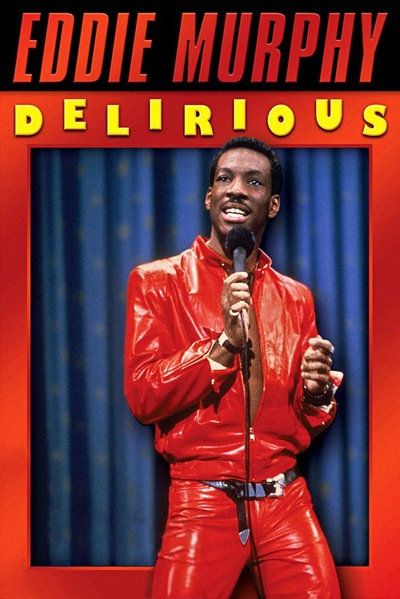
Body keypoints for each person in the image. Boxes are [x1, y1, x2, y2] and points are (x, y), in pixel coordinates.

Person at [124, 137, 342, 599]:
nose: (237, 189)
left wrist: (317, 392)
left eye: (254, 182)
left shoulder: (296, 298)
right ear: (209, 198)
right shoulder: (158, 282)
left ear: (273, 204)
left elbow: (304, 420)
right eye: (225, 179)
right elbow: (143, 396)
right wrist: (222, 346)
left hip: (285, 500)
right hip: (203, 499)